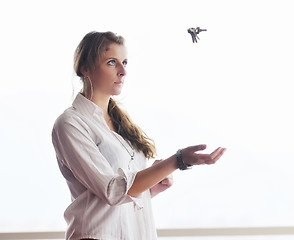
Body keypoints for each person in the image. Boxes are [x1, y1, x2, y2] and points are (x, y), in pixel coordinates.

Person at [51, 31, 226, 240]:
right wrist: (177, 160)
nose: (123, 71)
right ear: (85, 68)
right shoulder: (71, 123)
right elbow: (112, 190)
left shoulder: (120, 123)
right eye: (111, 62)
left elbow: (121, 197)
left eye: (124, 62)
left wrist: (151, 184)